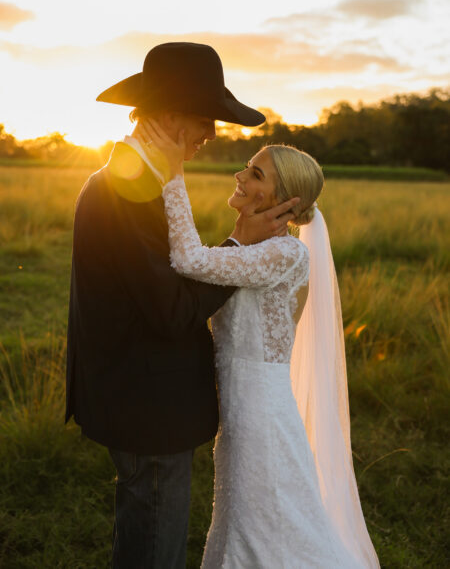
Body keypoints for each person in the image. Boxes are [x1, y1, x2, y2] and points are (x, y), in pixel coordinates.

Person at [65, 42, 299, 569]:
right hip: (148, 408)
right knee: (153, 552)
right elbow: (172, 309)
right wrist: (240, 248)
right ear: (169, 118)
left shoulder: (147, 179)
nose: (212, 135)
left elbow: (175, 274)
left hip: (142, 398)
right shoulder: (131, 189)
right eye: (204, 119)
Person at [137, 117, 381, 568]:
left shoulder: (285, 254)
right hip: (239, 408)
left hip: (259, 414)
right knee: (249, 520)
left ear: (284, 199)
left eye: (255, 173)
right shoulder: (255, 252)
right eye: (247, 168)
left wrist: (173, 175)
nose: (240, 176)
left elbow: (188, 258)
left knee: (265, 524)